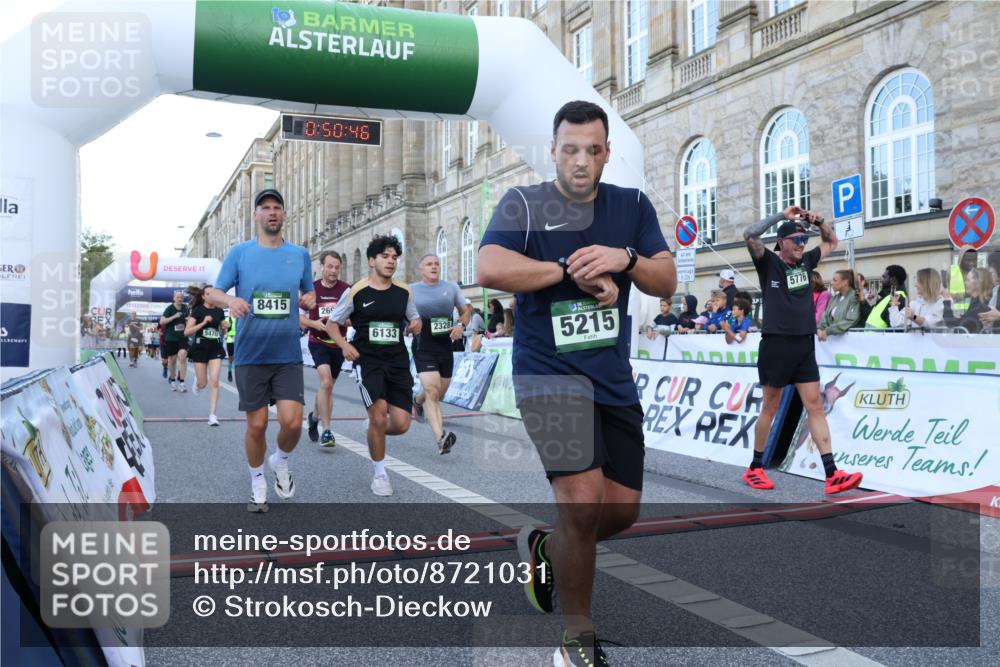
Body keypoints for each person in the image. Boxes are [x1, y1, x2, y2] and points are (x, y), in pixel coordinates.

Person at [478, 100, 676, 666]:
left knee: (619, 513)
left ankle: (546, 544)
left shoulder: (632, 205)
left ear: (607, 153)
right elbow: (490, 266)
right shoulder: (525, 202)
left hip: (611, 380)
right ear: (554, 151)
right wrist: (568, 269)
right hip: (548, 376)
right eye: (571, 149)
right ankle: (576, 640)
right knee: (584, 504)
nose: (581, 160)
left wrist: (624, 257)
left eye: (593, 149)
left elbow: (664, 276)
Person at [205, 188, 315, 513]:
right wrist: (231, 301)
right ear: (256, 216)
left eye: (277, 207)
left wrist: (309, 299)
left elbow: (308, 293)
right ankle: (257, 481)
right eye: (265, 208)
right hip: (251, 354)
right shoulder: (240, 253)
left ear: (284, 214)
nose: (271, 213)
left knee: (293, 424)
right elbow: (212, 293)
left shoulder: (300, 255)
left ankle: (280, 461)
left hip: (287, 355)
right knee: (256, 426)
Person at [741, 205, 862, 495]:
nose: (801, 244)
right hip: (776, 344)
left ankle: (832, 474)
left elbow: (831, 241)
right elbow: (749, 234)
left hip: (804, 344)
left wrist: (817, 221)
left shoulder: (807, 262)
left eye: (803, 240)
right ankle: (755, 468)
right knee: (770, 406)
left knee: (816, 405)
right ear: (781, 242)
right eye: (795, 239)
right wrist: (782, 217)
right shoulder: (768, 262)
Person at [325, 235, 421, 496]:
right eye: (385, 256)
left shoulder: (404, 292)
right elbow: (332, 324)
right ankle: (380, 474)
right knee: (378, 414)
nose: (391, 262)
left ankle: (373, 429)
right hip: (368, 362)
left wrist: (416, 325)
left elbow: (415, 318)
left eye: (394, 258)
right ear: (372, 260)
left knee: (401, 424)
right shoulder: (356, 291)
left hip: (398, 362)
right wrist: (345, 346)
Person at [410, 253, 472, 454]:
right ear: (421, 268)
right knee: (432, 391)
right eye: (429, 264)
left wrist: (461, 325)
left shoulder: (451, 287)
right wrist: (408, 326)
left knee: (439, 393)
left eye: (437, 263)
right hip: (423, 345)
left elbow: (466, 310)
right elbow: (402, 316)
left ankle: (416, 401)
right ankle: (441, 438)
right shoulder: (411, 290)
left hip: (445, 346)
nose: (434, 266)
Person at [300, 250, 352, 448]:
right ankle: (327, 431)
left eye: (337, 267)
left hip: (338, 344)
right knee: (327, 381)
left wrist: (339, 319)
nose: (333, 271)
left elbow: (353, 318)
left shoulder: (347, 290)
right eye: (329, 266)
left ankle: (313, 416)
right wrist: (315, 324)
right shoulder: (311, 290)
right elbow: (299, 316)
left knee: (327, 387)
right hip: (318, 342)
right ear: (321, 267)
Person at [183, 285, 227, 425]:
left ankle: (213, 415)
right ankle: (198, 380)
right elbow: (187, 332)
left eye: (213, 294)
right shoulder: (197, 310)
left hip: (215, 348)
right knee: (203, 384)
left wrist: (225, 327)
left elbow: (222, 331)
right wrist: (203, 323)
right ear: (203, 296)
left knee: (214, 381)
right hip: (200, 348)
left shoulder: (219, 311)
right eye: (208, 294)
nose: (211, 296)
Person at [943, 267, 994, 332]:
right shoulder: (976, 303)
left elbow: (958, 328)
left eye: (968, 280)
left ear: (978, 283)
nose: (965, 283)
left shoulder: (980, 307)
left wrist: (947, 301)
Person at [817, 270, 861, 340]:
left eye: (835, 280)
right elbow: (825, 316)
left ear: (845, 282)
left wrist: (828, 331)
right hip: (833, 342)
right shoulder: (834, 298)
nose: (831, 283)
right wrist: (820, 329)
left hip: (849, 342)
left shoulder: (855, 297)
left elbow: (850, 320)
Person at [160, 291, 190, 391]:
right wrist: (174, 316)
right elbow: (162, 321)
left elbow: (188, 319)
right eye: (178, 297)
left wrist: (188, 320)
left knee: (182, 356)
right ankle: (172, 381)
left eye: (181, 297)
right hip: (171, 338)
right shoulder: (170, 308)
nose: (180, 299)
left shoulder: (185, 307)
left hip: (182, 337)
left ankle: (182, 382)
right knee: (172, 361)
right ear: (174, 298)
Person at [865, 265, 907, 329]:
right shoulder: (887, 296)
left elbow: (893, 325)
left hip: (881, 338)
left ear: (893, 279)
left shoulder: (898, 297)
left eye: (884, 277)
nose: (881, 280)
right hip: (873, 337)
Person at [947, 246, 979, 315]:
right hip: (955, 313)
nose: (971, 263)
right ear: (961, 259)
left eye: (974, 260)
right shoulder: (953, 271)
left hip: (974, 313)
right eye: (968, 260)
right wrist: (969, 293)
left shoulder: (978, 272)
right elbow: (950, 294)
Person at [224, 312, 237, 382]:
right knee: (231, 358)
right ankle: (229, 372)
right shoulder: (228, 319)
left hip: (237, 340)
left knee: (237, 357)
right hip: (230, 340)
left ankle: (237, 374)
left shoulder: (238, 319)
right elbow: (225, 329)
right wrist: (226, 335)